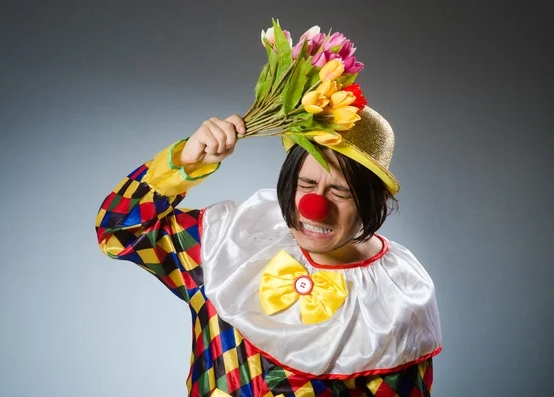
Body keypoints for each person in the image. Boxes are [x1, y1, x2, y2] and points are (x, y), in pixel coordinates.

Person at [95, 107, 442, 397]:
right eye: (306, 184)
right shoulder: (228, 244)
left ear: (374, 201)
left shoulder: (397, 298)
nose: (313, 207)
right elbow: (119, 230)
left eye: (340, 192)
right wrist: (185, 163)